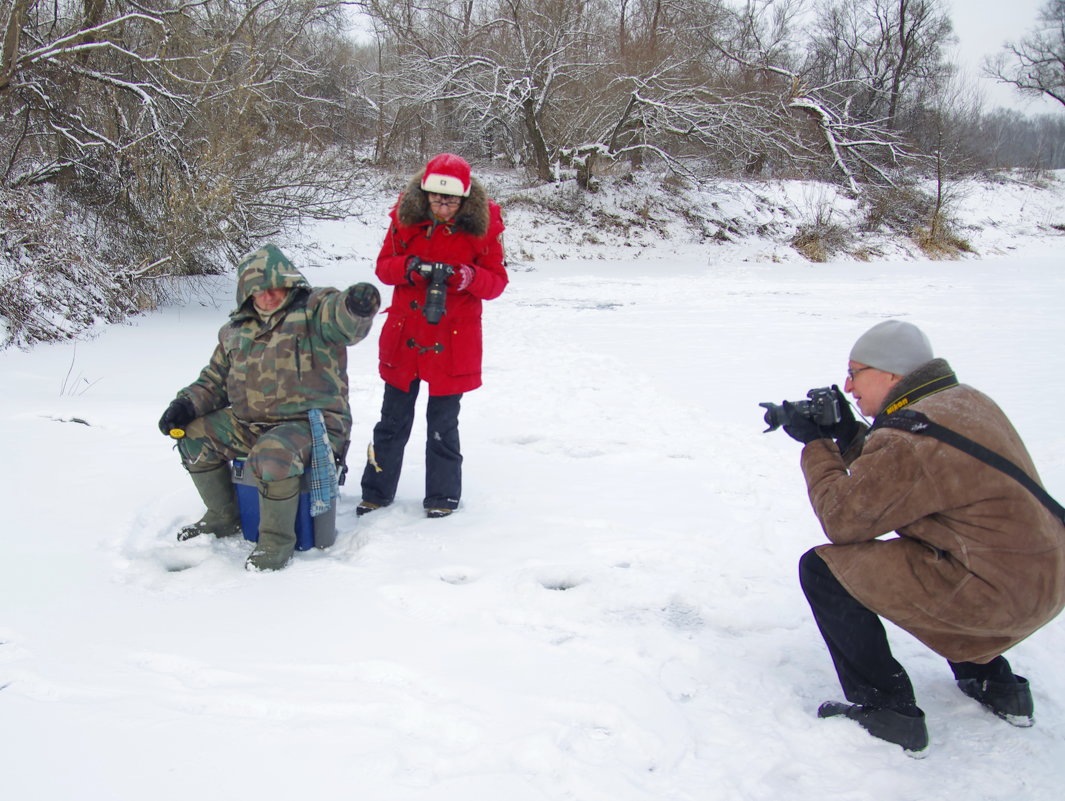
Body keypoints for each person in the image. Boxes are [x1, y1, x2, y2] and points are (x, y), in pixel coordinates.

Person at [782, 320, 1065, 754]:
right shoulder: (964, 402)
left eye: (856, 372)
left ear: (891, 374)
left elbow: (844, 519)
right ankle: (995, 682)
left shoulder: (910, 438)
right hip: (1045, 583)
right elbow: (907, 477)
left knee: (824, 569)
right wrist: (850, 434)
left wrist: (817, 443)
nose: (848, 385)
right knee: (944, 554)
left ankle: (888, 711)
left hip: (994, 598)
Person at [158, 244, 380, 571]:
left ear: (289, 283)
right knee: (193, 437)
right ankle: (223, 517)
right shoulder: (234, 331)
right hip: (251, 423)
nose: (269, 294)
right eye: (260, 289)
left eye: (277, 286)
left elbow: (343, 321)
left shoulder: (314, 310)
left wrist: (357, 306)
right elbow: (214, 381)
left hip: (312, 425)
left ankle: (276, 542)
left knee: (272, 455)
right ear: (247, 291)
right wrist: (185, 404)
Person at [357, 153, 508, 518]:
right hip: (406, 337)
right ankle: (376, 492)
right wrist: (410, 268)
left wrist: (466, 277)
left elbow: (496, 283)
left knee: (443, 424)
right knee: (391, 421)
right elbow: (383, 268)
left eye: (451, 200)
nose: (442, 207)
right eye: (436, 199)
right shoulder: (403, 220)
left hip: (453, 341)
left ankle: (443, 496)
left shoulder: (484, 227)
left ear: (465, 198)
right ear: (424, 194)